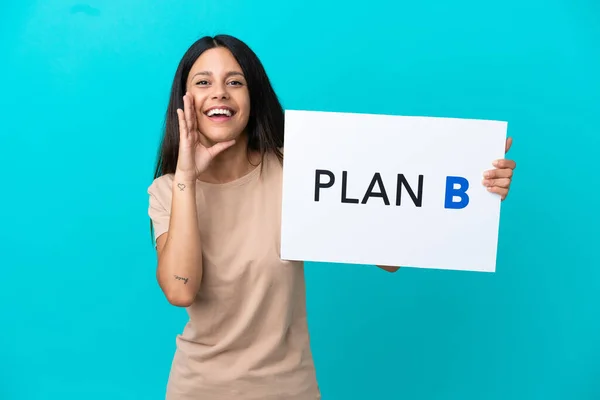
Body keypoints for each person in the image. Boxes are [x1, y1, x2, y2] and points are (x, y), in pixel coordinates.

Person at [147, 34, 517, 400]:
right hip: (197, 389)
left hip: (291, 389)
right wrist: (186, 179)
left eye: (235, 81)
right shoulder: (168, 191)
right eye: (203, 82)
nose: (220, 92)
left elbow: (388, 261)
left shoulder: (299, 168)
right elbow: (181, 289)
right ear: (185, 101)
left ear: (253, 96)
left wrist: (472, 191)